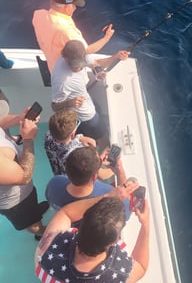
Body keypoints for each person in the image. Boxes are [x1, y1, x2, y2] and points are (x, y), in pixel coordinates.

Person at [35, 184, 150, 283]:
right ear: (113, 242)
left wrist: (106, 197)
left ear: (82, 221)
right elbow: (141, 267)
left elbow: (66, 213)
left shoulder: (46, 252)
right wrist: (145, 225)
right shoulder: (118, 277)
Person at [51, 40, 129, 148]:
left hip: (87, 101)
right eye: (75, 66)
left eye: (81, 65)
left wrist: (116, 56)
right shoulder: (61, 82)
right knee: (103, 139)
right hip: (86, 117)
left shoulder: (78, 55)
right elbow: (54, 106)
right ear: (65, 58)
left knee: (98, 111)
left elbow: (97, 63)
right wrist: (70, 102)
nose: (78, 68)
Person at [32, 0, 116, 73]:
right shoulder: (67, 31)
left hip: (52, 67)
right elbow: (86, 50)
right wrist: (107, 37)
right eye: (74, 5)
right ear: (67, 7)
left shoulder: (38, 14)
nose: (75, 8)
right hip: (65, 72)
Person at [0, 90, 48, 239]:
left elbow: (1, 122)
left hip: (26, 192)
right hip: (15, 202)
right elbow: (24, 176)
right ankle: (41, 231)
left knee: (32, 206)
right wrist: (28, 139)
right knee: (32, 224)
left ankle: (35, 213)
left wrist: (19, 119)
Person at [45, 145, 130, 221]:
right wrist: (120, 172)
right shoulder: (109, 194)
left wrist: (96, 163)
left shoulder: (55, 182)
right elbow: (127, 210)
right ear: (94, 177)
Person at [45, 109, 96, 176]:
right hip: (76, 181)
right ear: (72, 134)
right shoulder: (78, 153)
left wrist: (78, 138)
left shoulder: (48, 136)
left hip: (60, 176)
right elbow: (100, 175)